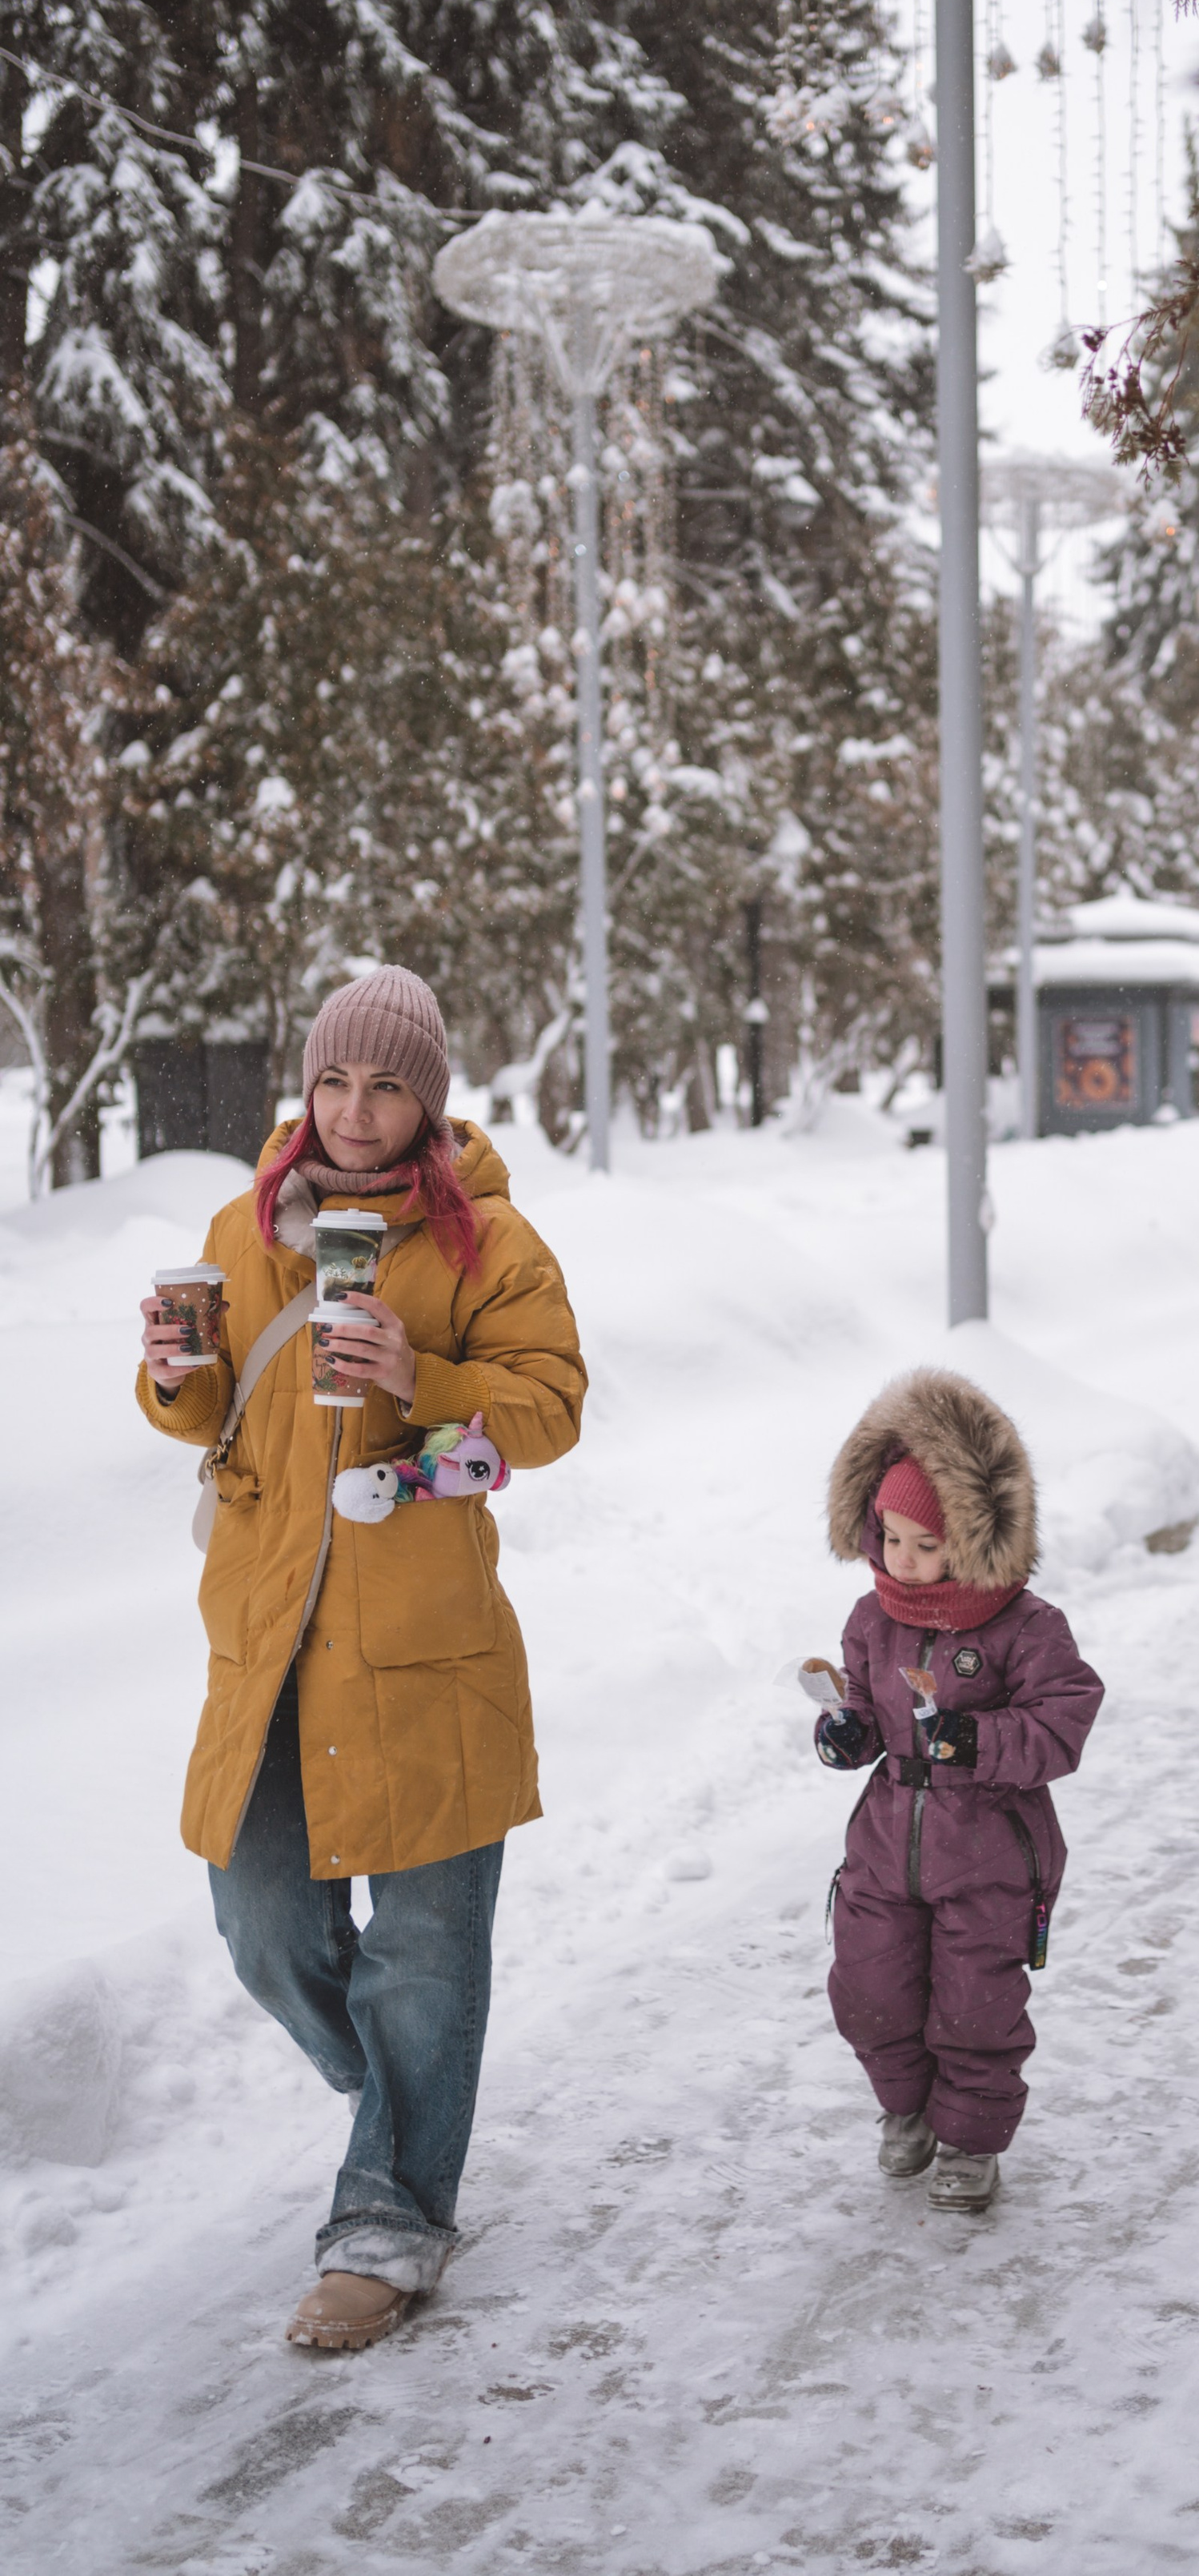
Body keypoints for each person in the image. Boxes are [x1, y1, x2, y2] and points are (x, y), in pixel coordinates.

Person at [137, 966, 585, 2351]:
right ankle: (405, 2095)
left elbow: (553, 1407)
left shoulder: (488, 1242)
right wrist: (170, 1372)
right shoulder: (244, 1223)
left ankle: (388, 2216)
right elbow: (211, 1414)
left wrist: (420, 1376)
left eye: (387, 1084)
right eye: (335, 1079)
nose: (355, 1108)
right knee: (260, 1917)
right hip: (270, 1638)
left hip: (423, 1642)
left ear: (428, 1097)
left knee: (425, 1951)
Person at [808, 1370, 1103, 2215]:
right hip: (885, 1843)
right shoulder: (873, 1619)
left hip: (989, 1850)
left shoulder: (1024, 1627)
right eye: (890, 1539)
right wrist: (846, 1732)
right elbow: (865, 1705)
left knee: (976, 2003)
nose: (901, 1559)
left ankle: (972, 2140)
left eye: (924, 1545)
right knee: (869, 1987)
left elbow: (1063, 1722)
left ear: (973, 1539)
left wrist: (976, 1740)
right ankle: (904, 2108)